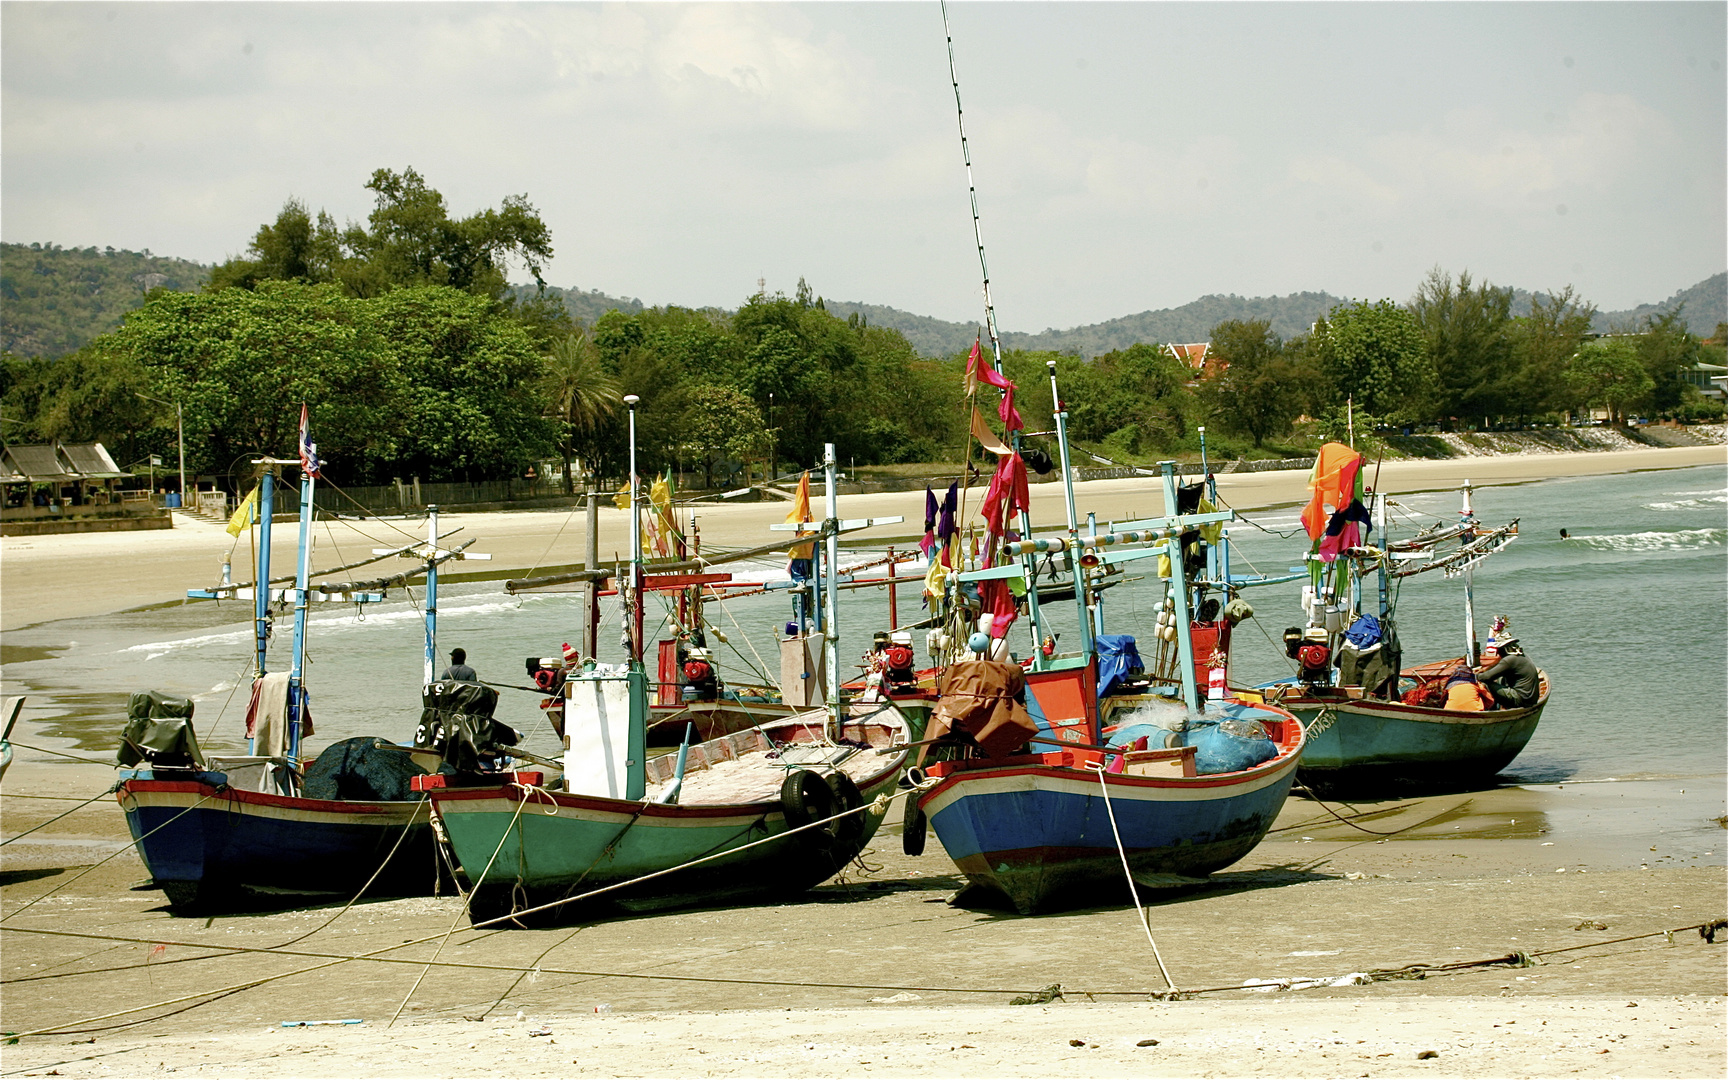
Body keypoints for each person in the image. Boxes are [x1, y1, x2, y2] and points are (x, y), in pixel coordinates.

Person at [1475, 638, 1540, 709]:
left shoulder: (1510, 660)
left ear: (1504, 650)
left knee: (1484, 684)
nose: (1498, 653)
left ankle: (1491, 709)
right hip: (1530, 700)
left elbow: (1486, 677)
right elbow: (1497, 667)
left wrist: (1472, 676)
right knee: (1500, 678)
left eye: (1499, 650)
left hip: (1520, 700)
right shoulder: (1523, 656)